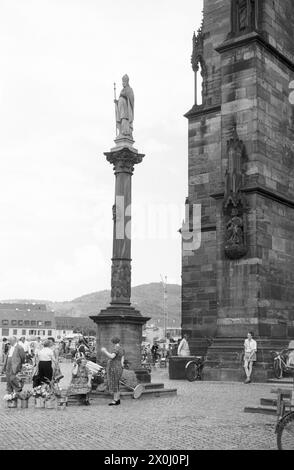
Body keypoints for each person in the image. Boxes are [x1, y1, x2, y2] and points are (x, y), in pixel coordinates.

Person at [101, 337, 124, 406]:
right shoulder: (122, 349)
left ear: (113, 342)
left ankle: (115, 400)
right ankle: (118, 399)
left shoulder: (116, 348)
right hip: (119, 367)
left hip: (114, 367)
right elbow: (122, 359)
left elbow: (111, 356)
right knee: (116, 383)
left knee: (114, 383)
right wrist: (121, 365)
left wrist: (104, 351)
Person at [114, 74, 134, 138]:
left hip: (125, 108)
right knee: (121, 119)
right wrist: (117, 102)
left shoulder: (129, 89)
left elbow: (131, 99)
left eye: (124, 82)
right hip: (120, 107)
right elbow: (121, 97)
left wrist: (126, 95)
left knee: (124, 119)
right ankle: (121, 133)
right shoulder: (122, 90)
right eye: (122, 82)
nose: (123, 83)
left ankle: (125, 132)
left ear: (127, 82)